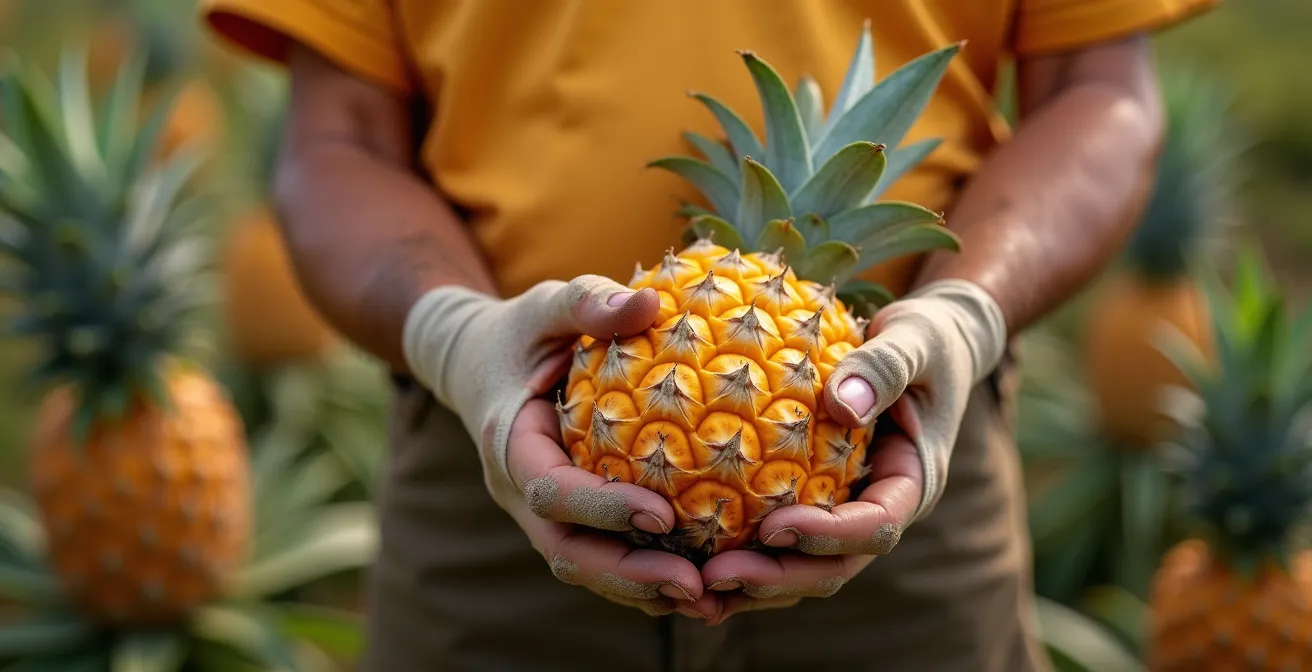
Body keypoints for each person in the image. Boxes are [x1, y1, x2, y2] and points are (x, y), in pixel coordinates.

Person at [199, 1, 1217, 669]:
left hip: (905, 449)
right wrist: (453, 336)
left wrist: (965, 314)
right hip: (475, 458)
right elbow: (336, 138)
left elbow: (1097, 92)